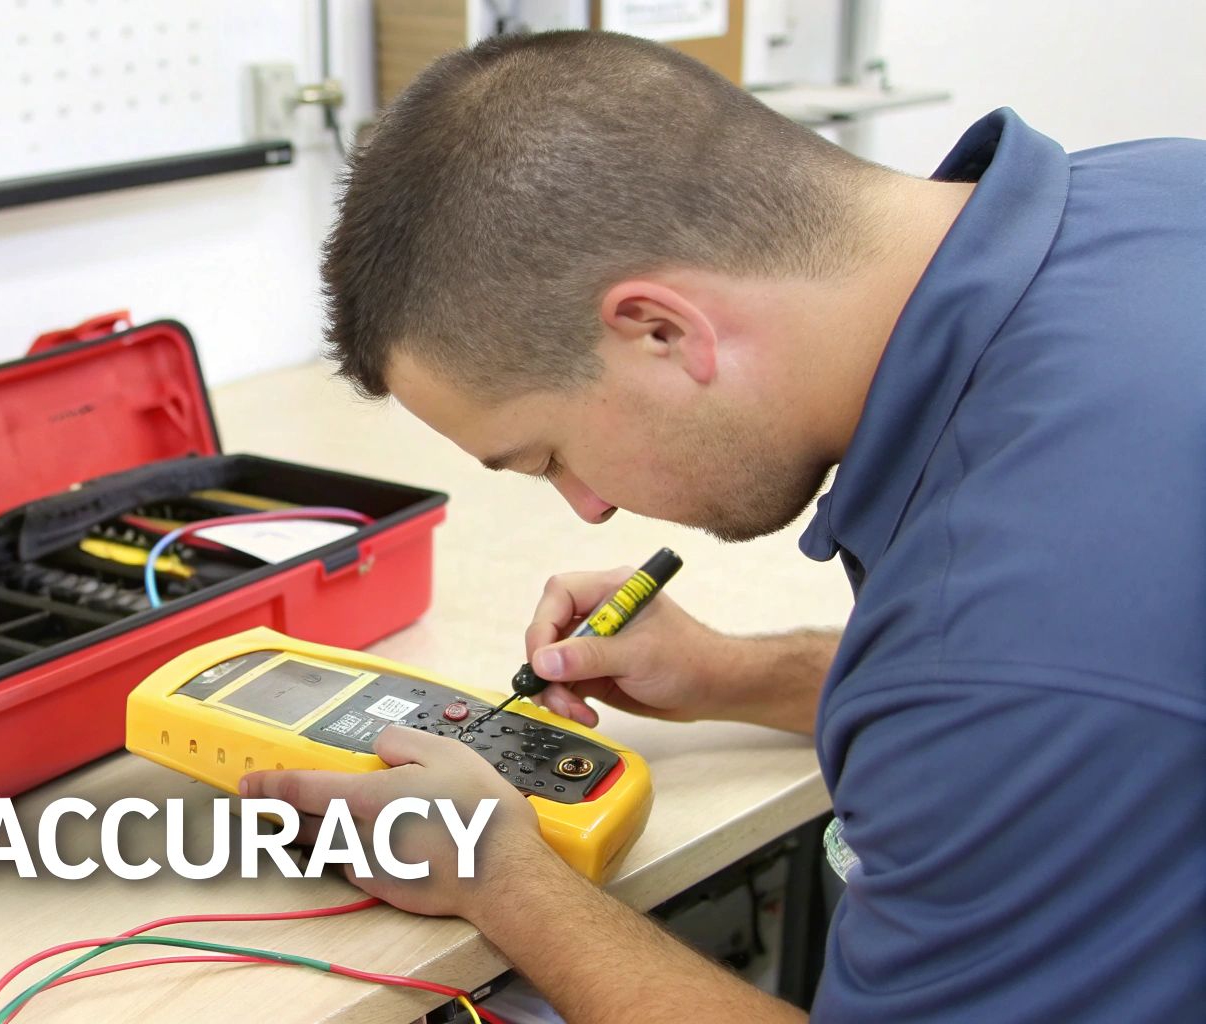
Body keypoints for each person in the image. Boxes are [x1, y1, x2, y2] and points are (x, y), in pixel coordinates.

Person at [238, 30, 1206, 1022]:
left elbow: (1026, 679)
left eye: (547, 455)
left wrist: (501, 878)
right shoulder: (1156, 190)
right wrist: (735, 674)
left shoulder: (1001, 641)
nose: (585, 504)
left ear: (661, 332)